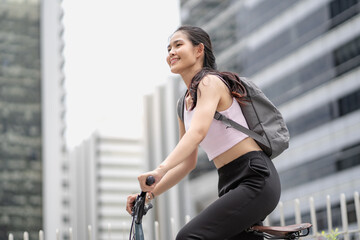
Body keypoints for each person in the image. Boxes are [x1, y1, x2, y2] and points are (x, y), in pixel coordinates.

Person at [126, 25, 281, 240]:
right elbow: (187, 163)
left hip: (255, 177)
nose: (171, 52)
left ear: (199, 50)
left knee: (189, 237)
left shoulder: (210, 82)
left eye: (178, 45)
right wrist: (150, 193)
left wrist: (159, 170)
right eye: (168, 48)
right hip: (227, 181)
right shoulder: (183, 104)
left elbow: (197, 132)